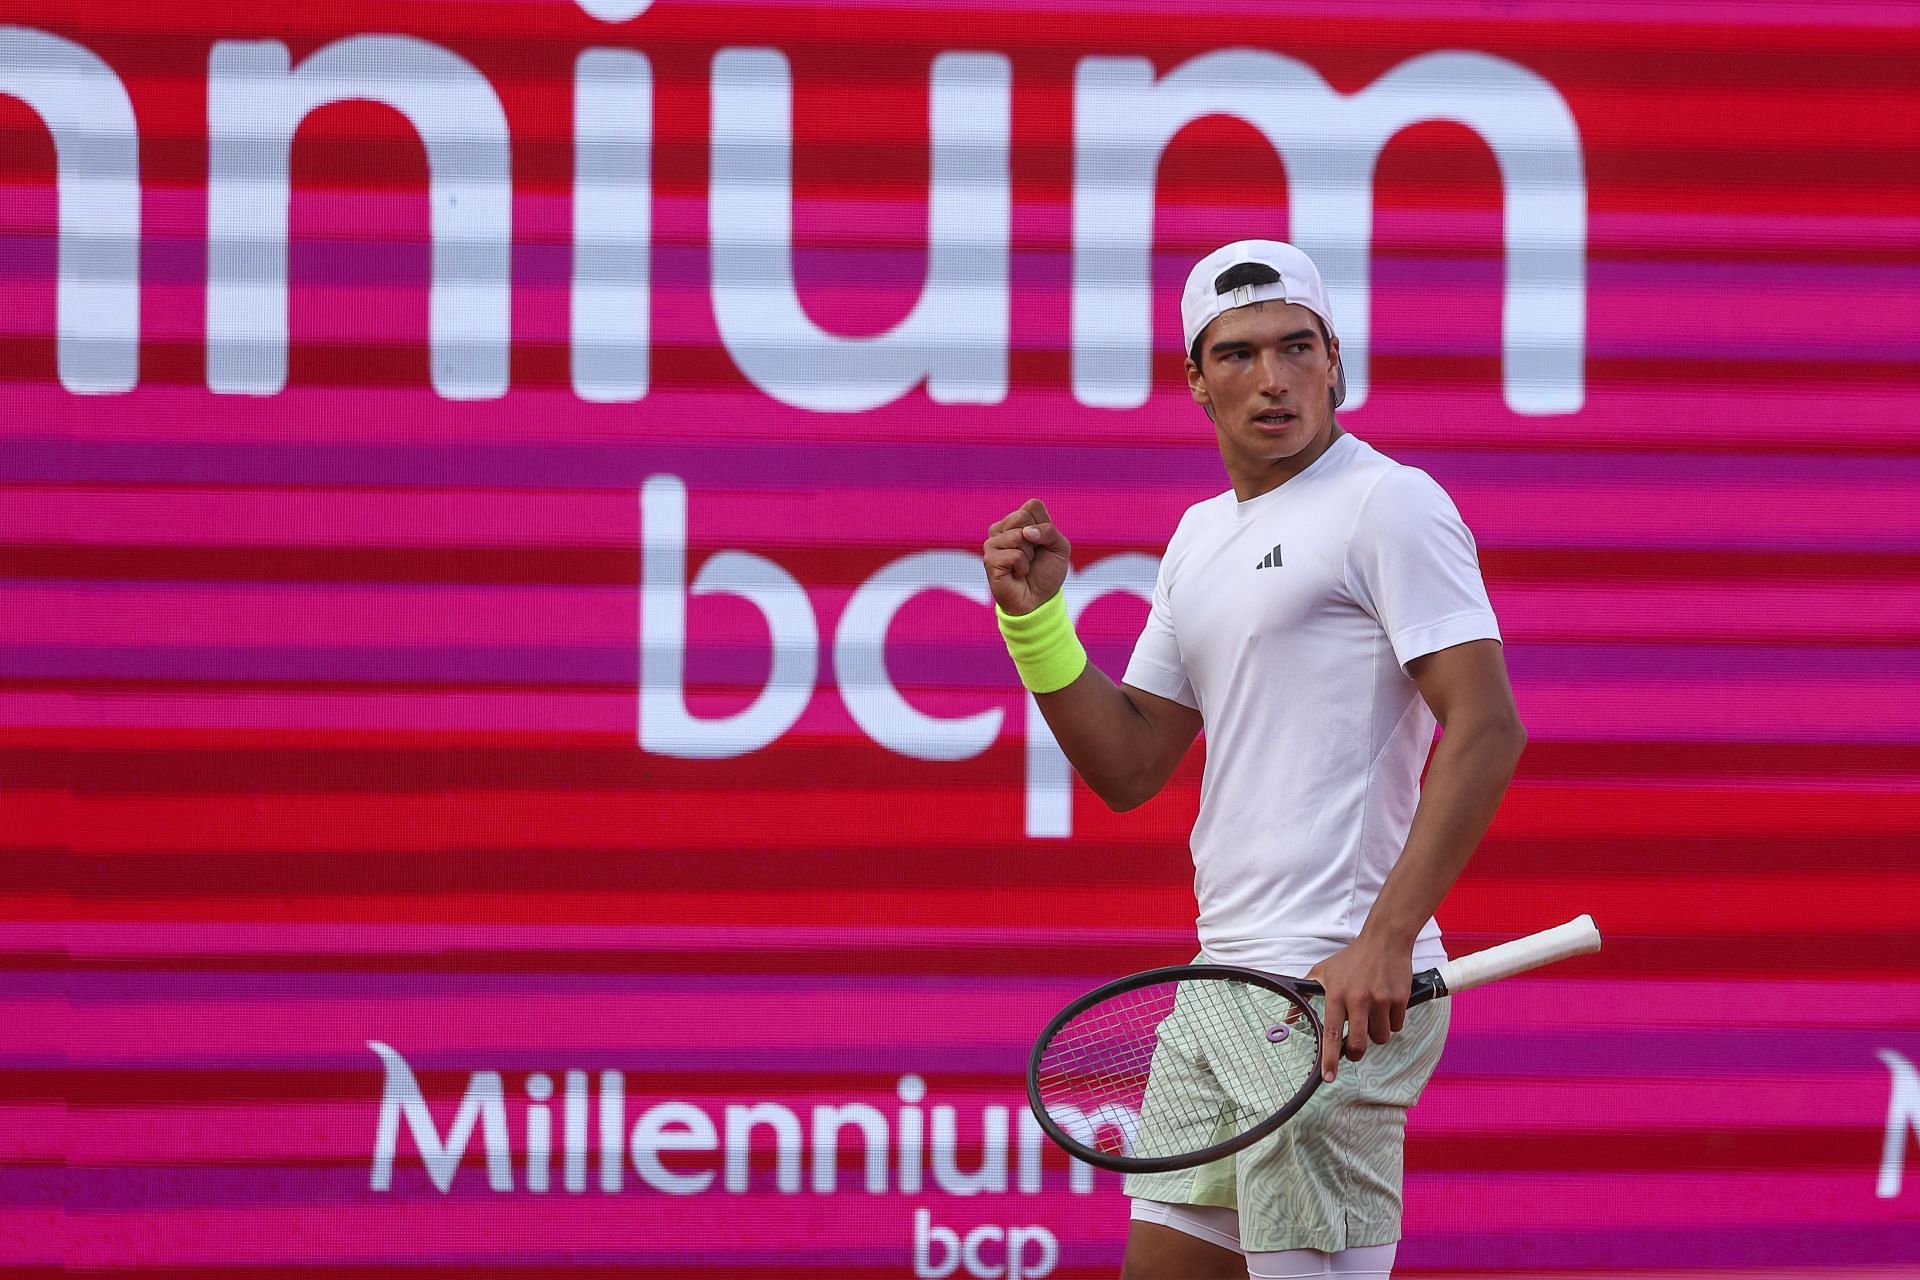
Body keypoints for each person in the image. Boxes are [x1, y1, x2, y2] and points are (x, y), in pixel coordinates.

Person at [982, 241, 1527, 1280]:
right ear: (1196, 378)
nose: (1271, 379)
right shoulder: (1197, 538)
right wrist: (1039, 625)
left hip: (1337, 984)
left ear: (1336, 361)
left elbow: (1489, 725)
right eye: (1236, 354)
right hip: (1218, 977)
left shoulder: (1390, 501)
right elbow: (1131, 761)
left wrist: (1386, 936)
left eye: (1296, 348)